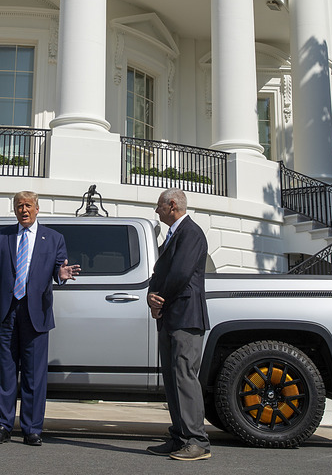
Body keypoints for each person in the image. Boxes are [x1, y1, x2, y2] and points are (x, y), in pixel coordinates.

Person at [0, 191, 80, 446]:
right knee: (5, 372)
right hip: (7, 312)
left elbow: (57, 270)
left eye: (28, 205)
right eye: (19, 206)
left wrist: (61, 274)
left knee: (34, 374)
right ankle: (3, 425)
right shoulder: (1, 236)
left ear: (38, 208)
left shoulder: (53, 238)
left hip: (36, 315)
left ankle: (32, 429)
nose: (24, 210)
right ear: (15, 210)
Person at [146, 188, 211, 461]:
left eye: (159, 206)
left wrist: (160, 299)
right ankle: (180, 437)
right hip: (171, 317)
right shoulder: (175, 234)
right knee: (172, 379)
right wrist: (151, 295)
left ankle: (197, 441)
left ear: (172, 205)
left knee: (184, 376)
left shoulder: (191, 233)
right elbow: (160, 271)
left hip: (185, 317)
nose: (156, 210)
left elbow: (181, 273)